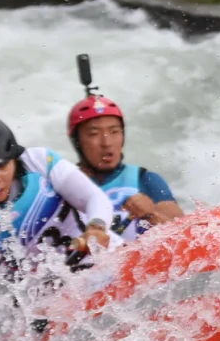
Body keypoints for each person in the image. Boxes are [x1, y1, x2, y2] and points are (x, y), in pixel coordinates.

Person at [0, 112, 118, 335]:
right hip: (52, 304)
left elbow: (95, 199)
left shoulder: (38, 162)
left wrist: (97, 227)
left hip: (103, 264)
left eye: (2, 166)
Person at [63, 93, 184, 240]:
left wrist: (151, 214)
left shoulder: (146, 180)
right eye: (94, 134)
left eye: (114, 131)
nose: (107, 143)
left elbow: (183, 234)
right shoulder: (62, 185)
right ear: (77, 142)